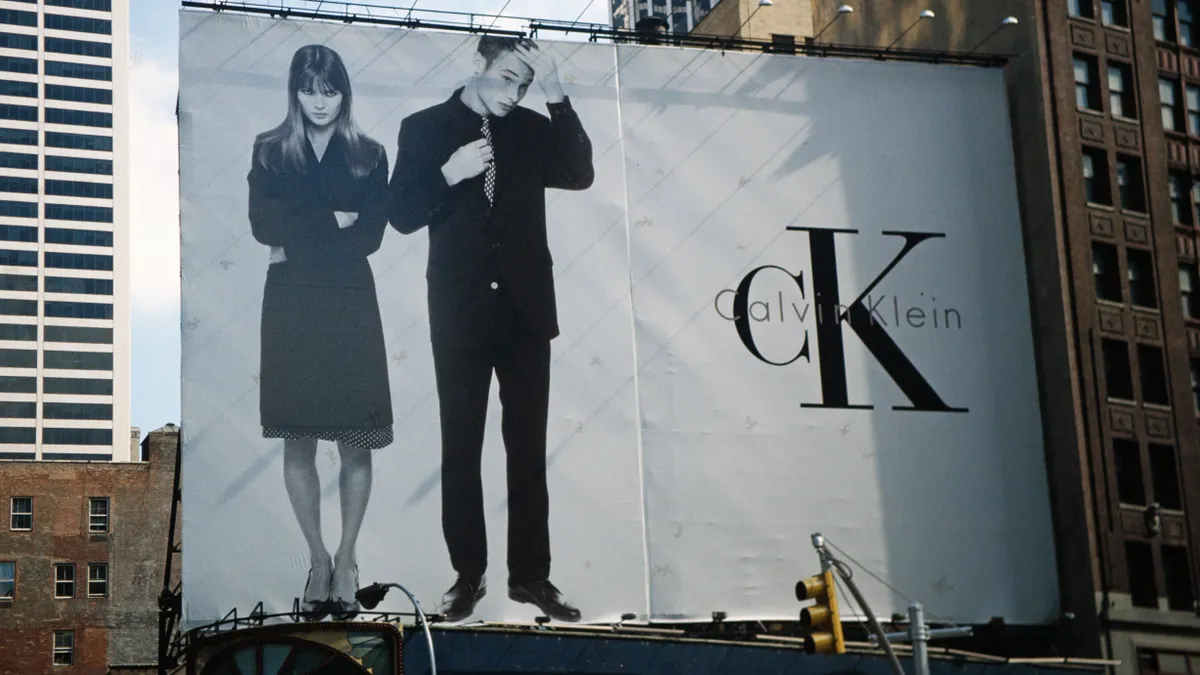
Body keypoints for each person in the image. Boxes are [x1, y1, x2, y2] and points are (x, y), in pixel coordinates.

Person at [387, 36, 594, 623]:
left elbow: (579, 172)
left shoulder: (530, 127)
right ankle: (467, 576)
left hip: (527, 311)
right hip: (459, 311)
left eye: (524, 84)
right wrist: (448, 174)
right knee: (462, 449)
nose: (513, 93)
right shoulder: (424, 128)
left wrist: (554, 94)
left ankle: (530, 577)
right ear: (476, 65)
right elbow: (400, 214)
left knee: (526, 449)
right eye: (505, 77)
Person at [247, 44, 393, 621]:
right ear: (294, 90)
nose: (319, 102)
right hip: (291, 304)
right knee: (298, 438)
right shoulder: (269, 148)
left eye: (329, 91)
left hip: (350, 301)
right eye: (309, 90)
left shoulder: (369, 153)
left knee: (355, 440)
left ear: (344, 93)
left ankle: (348, 557)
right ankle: (316, 558)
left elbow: (373, 234)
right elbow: (262, 226)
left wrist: (301, 229)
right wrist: (332, 219)